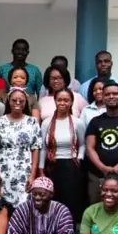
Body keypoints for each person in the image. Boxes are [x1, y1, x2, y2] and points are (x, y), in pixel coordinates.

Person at [39, 88, 86, 223]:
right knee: (52, 199)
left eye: (66, 100)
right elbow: (42, 146)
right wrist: (41, 170)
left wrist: (79, 158)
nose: (62, 103)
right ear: (55, 101)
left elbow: (82, 144)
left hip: (71, 165)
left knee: (70, 200)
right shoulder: (47, 123)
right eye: (59, 100)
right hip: (51, 165)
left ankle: (69, 232)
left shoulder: (77, 122)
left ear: (71, 102)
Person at [0, 87, 41, 207]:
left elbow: (35, 148)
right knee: (2, 204)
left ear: (26, 102)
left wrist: (33, 174)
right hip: (3, 168)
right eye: (14, 100)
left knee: (24, 203)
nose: (18, 103)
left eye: (21, 101)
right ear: (9, 101)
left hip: (24, 168)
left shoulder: (32, 122)